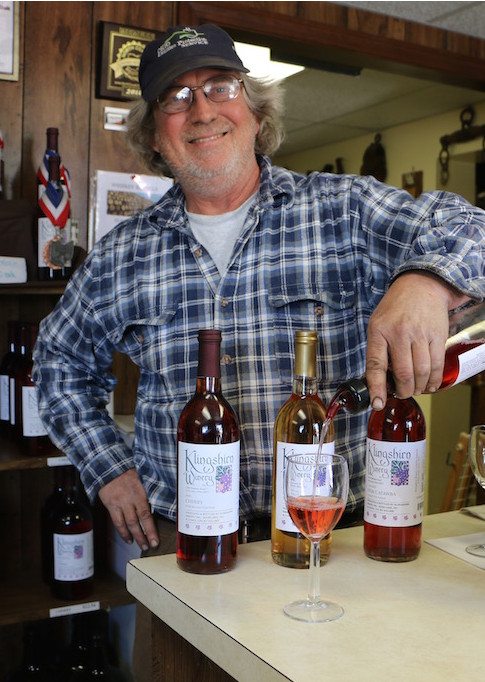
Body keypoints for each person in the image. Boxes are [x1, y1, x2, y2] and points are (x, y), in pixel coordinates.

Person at [34, 24, 484, 560]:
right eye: (176, 97)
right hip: (183, 542)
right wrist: (107, 467)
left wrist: (425, 283)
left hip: (332, 535)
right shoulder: (121, 254)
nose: (202, 111)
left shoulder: (344, 210)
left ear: (256, 111)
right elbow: (56, 361)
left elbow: (469, 226)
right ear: (155, 134)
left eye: (221, 86)